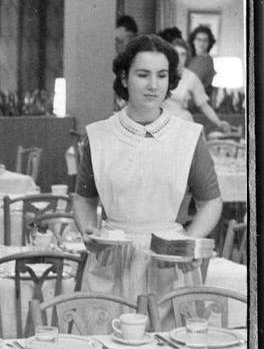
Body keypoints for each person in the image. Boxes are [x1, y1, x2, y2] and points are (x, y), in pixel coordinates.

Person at [72, 35, 222, 323]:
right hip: (113, 260)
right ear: (124, 78)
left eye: (162, 75)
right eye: (143, 75)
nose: (153, 85)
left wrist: (188, 242)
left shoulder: (187, 136)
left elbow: (211, 202)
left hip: (169, 263)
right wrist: (88, 230)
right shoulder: (100, 135)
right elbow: (84, 199)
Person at [162, 38, 230, 132]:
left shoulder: (191, 78)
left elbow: (204, 105)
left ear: (187, 57)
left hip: (181, 122)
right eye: (175, 53)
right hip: (160, 122)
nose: (179, 58)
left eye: (183, 54)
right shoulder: (160, 74)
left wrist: (218, 122)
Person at [186, 25, 217, 98]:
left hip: (197, 102)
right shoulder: (191, 58)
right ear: (193, 41)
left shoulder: (208, 60)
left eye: (205, 40)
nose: (201, 43)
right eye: (199, 39)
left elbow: (193, 82)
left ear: (209, 43)